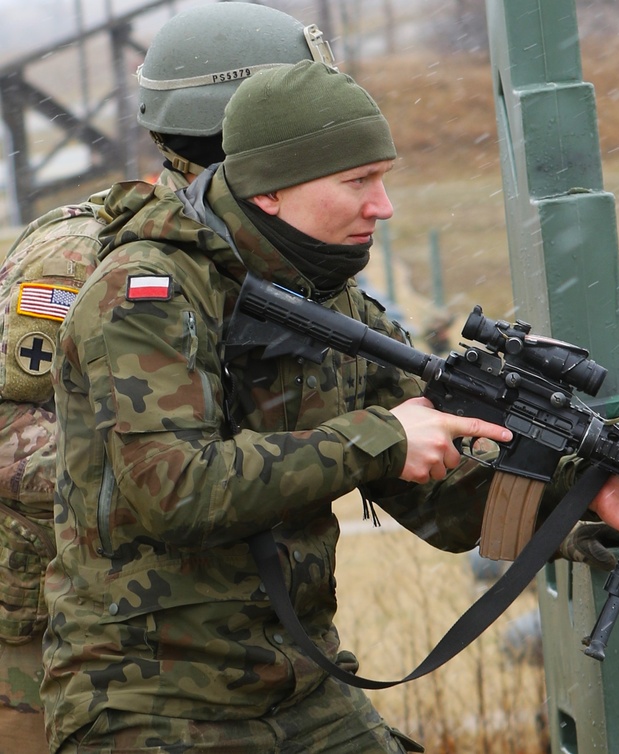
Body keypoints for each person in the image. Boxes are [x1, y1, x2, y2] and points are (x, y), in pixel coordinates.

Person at [42, 60, 619, 753]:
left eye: (383, 178)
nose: (383, 205)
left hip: (297, 685)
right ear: (270, 191)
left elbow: (436, 501)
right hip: (141, 696)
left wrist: (577, 494)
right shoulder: (145, 294)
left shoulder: (336, 303)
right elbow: (174, 489)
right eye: (358, 182)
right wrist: (381, 435)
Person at [0, 4, 338, 748]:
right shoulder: (82, 260)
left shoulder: (291, 265)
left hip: (223, 650)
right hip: (44, 644)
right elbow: (14, 442)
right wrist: (178, 455)